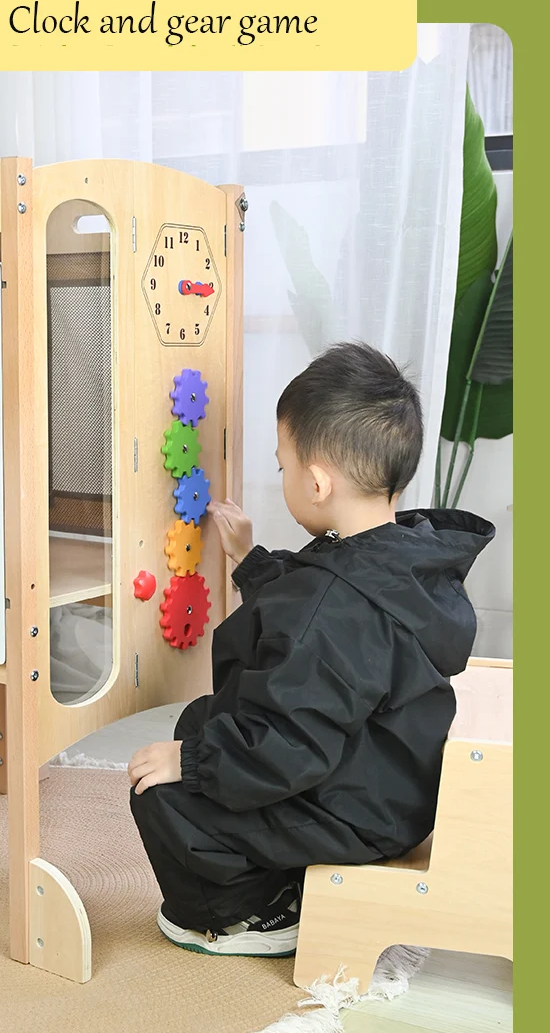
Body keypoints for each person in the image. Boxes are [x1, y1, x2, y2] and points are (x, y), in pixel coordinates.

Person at [128, 342, 494, 957]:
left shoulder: (332, 607)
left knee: (160, 788)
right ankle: (274, 870)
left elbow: (291, 738)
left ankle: (257, 912)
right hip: (392, 785)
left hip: (354, 810)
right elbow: (321, 612)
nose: (283, 477)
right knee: (202, 723)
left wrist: (190, 767)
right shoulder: (404, 555)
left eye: (282, 466)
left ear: (317, 481)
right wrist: (249, 560)